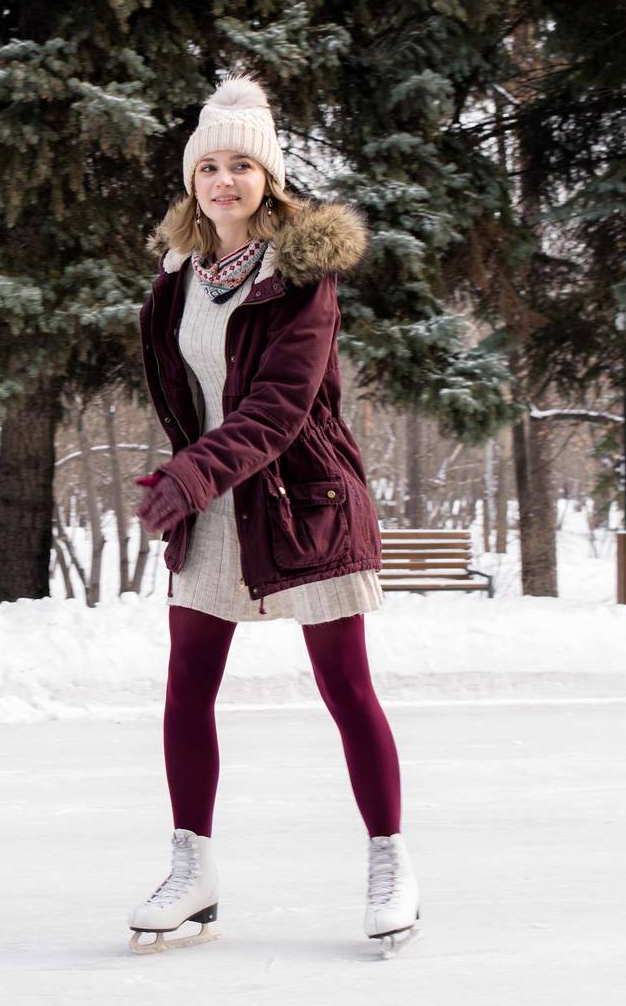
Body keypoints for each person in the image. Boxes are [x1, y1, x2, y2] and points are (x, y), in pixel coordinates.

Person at [127, 73, 420, 958]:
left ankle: (390, 859)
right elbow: (197, 395)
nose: (224, 181)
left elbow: (281, 407)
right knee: (187, 687)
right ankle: (193, 866)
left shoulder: (302, 279)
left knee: (346, 688)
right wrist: (197, 476)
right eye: (209, 165)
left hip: (304, 501)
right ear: (193, 181)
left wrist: (192, 472)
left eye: (242, 166)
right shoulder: (178, 279)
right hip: (215, 499)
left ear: (270, 178)